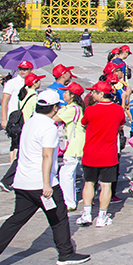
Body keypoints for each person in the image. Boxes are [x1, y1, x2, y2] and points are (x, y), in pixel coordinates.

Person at [0, 89, 90, 265]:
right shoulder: (49, 127)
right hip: (41, 184)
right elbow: (46, 156)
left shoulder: (30, 122)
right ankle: (65, 254)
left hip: (23, 182)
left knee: (16, 220)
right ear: (54, 108)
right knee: (59, 217)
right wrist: (46, 184)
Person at [78, 81, 126, 227]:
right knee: (106, 186)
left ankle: (87, 214)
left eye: (94, 92)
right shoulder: (118, 110)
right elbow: (121, 124)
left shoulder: (90, 110)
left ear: (101, 94)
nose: (92, 94)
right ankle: (102, 216)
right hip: (109, 154)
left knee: (89, 183)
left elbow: (83, 123)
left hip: (91, 152)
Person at [57, 82, 87, 212]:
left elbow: (55, 118)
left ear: (72, 95)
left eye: (66, 92)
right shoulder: (70, 107)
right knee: (68, 174)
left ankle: (69, 202)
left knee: (66, 175)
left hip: (73, 145)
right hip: (72, 144)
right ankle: (69, 200)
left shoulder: (73, 109)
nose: (63, 94)